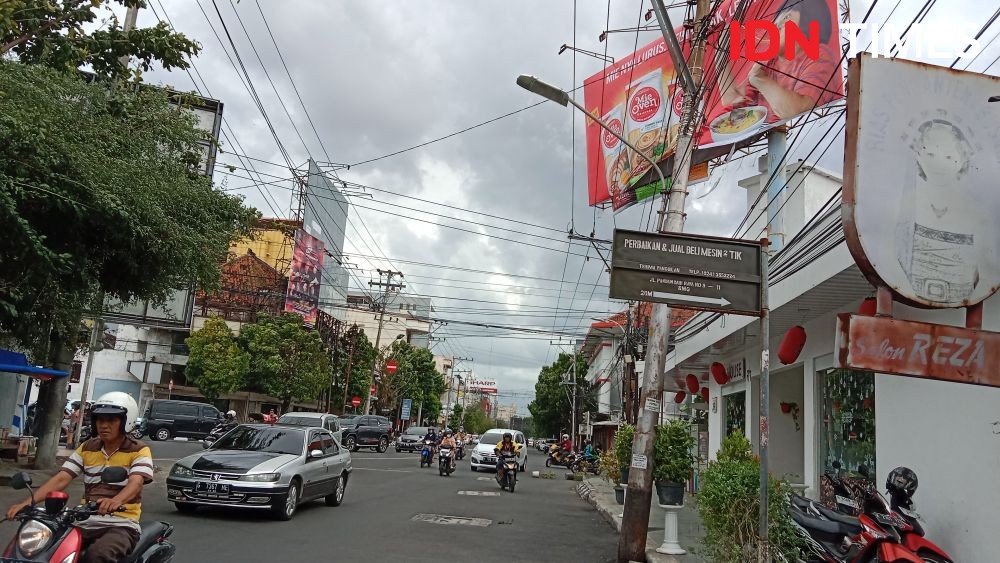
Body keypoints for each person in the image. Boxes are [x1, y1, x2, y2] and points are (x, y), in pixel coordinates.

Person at [6, 395, 154, 563]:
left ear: (126, 421)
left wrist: (116, 500)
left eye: (111, 420)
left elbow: (136, 482)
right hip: (85, 520)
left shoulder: (139, 450)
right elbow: (62, 478)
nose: (104, 425)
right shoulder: (87, 448)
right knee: (47, 547)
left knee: (97, 555)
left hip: (121, 523)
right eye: (100, 420)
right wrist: (27, 503)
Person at [719, 0, 839, 120]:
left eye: (786, 16)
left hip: (801, 136)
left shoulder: (818, 55)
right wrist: (721, 46)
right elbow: (732, 102)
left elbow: (798, 111)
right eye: (777, 18)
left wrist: (761, 80)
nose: (777, 24)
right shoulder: (769, 65)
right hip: (766, 137)